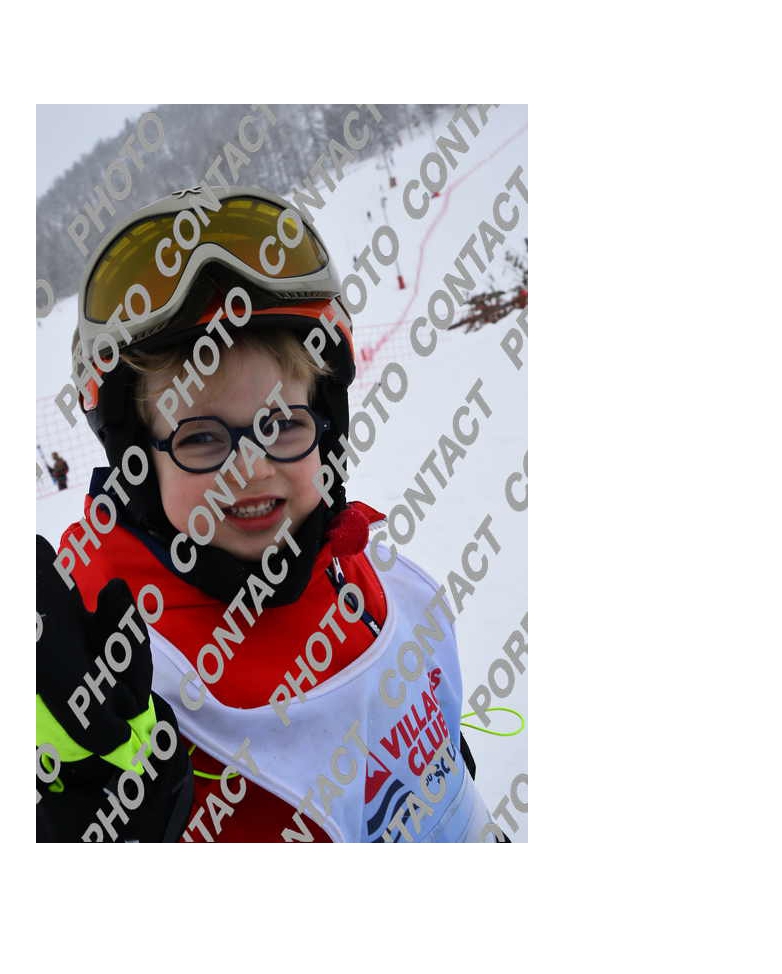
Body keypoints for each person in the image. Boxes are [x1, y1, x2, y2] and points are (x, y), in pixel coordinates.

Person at [36, 186, 502, 842]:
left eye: (280, 424)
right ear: (138, 464)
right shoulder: (104, 655)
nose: (248, 468)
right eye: (202, 438)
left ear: (327, 431)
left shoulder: (362, 570)